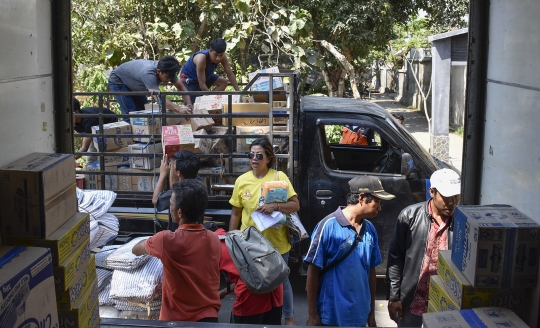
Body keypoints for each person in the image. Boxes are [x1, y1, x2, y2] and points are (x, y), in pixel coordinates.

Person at [304, 176, 395, 327]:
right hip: (331, 315)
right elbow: (312, 270)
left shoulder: (370, 230)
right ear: (361, 198)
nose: (380, 207)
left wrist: (372, 313)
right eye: (377, 201)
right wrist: (312, 314)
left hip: (360, 315)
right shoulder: (327, 226)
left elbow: (371, 272)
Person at [228, 137, 300, 326]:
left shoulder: (279, 178)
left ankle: (289, 318)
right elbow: (236, 213)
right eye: (251, 155)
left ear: (268, 158)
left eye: (259, 155)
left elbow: (295, 205)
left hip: (276, 244)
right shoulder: (241, 181)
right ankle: (258, 318)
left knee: (281, 283)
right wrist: (231, 239)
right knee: (251, 283)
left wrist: (275, 205)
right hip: (249, 246)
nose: (254, 159)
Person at [132, 179, 221, 322]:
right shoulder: (214, 239)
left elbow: (136, 250)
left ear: (179, 212)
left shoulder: (166, 240)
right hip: (209, 318)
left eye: (171, 205)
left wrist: (152, 239)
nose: (169, 208)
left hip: (177, 321)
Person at [386, 168, 461, 327]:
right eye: (446, 196)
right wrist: (394, 297)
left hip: (445, 303)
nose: (452, 202)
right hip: (412, 302)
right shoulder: (409, 216)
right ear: (432, 192)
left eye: (456, 196)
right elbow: (395, 258)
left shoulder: (462, 222)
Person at [215, 226, 284, 324]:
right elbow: (244, 276)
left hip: (252, 295)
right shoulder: (234, 235)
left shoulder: (212, 248)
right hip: (274, 283)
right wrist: (223, 292)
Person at [108, 56, 193, 121]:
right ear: (158, 71)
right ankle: (131, 140)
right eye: (167, 78)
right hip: (118, 80)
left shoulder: (168, 71)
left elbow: (181, 87)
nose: (168, 81)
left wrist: (188, 104)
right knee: (131, 111)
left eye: (171, 78)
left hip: (135, 83)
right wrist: (178, 109)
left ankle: (143, 137)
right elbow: (158, 98)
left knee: (144, 110)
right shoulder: (149, 74)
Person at [152, 150, 201, 231]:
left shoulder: (179, 192)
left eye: (173, 166)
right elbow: (174, 185)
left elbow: (155, 200)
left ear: (178, 172)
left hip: (179, 237)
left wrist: (163, 174)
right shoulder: (199, 183)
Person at [181, 38, 240, 104]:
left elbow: (230, 74)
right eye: (215, 55)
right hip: (190, 78)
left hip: (204, 76)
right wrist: (211, 99)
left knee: (223, 82)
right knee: (190, 106)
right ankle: (208, 102)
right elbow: (202, 84)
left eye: (221, 55)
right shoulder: (201, 58)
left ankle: (207, 102)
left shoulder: (222, 57)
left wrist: (238, 92)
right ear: (210, 51)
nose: (218, 58)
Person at [73, 98, 117, 163]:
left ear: (76, 112)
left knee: (93, 156)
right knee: (91, 156)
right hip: (96, 128)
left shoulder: (89, 121)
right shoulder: (75, 120)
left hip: (111, 125)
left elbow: (84, 148)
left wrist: (70, 160)